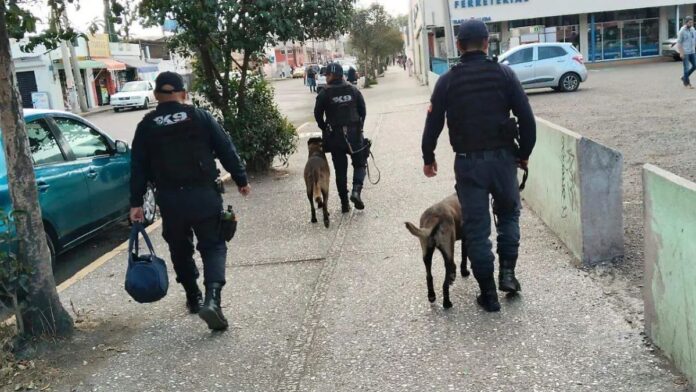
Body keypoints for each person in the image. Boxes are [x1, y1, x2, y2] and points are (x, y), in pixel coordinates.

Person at [421, 20, 536, 312]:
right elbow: (527, 119)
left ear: (458, 46)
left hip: (469, 165)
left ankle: (489, 294)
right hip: (503, 162)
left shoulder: (447, 81)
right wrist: (524, 154)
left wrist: (428, 157)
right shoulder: (505, 75)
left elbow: (433, 123)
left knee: (476, 229)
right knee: (509, 215)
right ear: (487, 43)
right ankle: (508, 275)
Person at [130, 71, 251, 331]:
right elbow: (225, 148)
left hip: (171, 200)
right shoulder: (200, 117)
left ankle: (193, 296)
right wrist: (241, 178)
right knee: (214, 245)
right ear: (183, 93)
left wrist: (136, 203)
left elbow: (137, 167)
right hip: (204, 196)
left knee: (179, 248)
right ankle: (213, 299)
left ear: (155, 96)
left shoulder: (146, 125)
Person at [314, 63, 368, 213]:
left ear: (333, 75)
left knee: (340, 170)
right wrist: (359, 127)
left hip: (335, 137)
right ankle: (356, 192)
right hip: (354, 135)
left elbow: (317, 115)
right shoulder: (353, 89)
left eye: (327, 75)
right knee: (360, 164)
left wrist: (325, 128)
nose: (326, 78)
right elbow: (363, 111)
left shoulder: (324, 93)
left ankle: (345, 203)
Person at [678, 16, 696, 88]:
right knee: (686, 68)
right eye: (690, 22)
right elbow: (679, 43)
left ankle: (684, 77)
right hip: (685, 52)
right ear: (686, 23)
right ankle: (687, 83)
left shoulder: (693, 29)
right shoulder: (682, 31)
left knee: (695, 66)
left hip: (692, 51)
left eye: (692, 22)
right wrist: (681, 53)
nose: (691, 24)